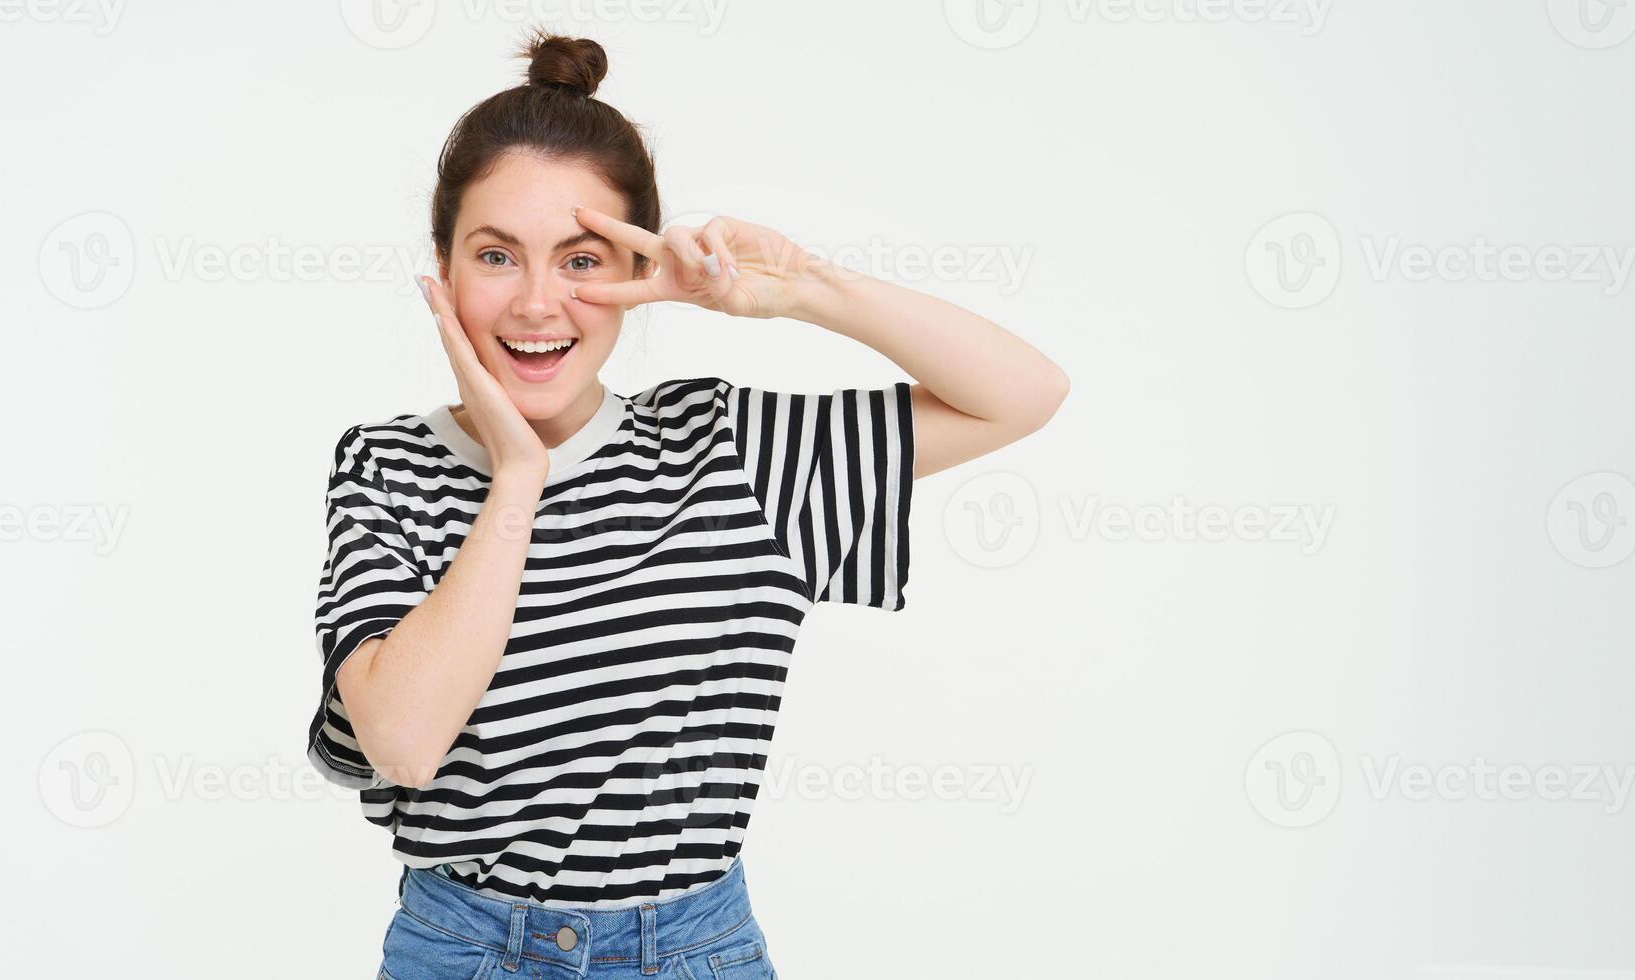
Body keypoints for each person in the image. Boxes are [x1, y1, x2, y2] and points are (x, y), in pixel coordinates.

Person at [310, 30, 1069, 978]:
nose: (539, 303)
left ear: (637, 273)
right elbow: (407, 743)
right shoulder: (389, 466)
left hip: (692, 950)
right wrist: (515, 476)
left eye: (583, 261)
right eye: (497, 255)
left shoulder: (727, 449)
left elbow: (1025, 394)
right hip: (463, 950)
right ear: (443, 268)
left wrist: (803, 290)